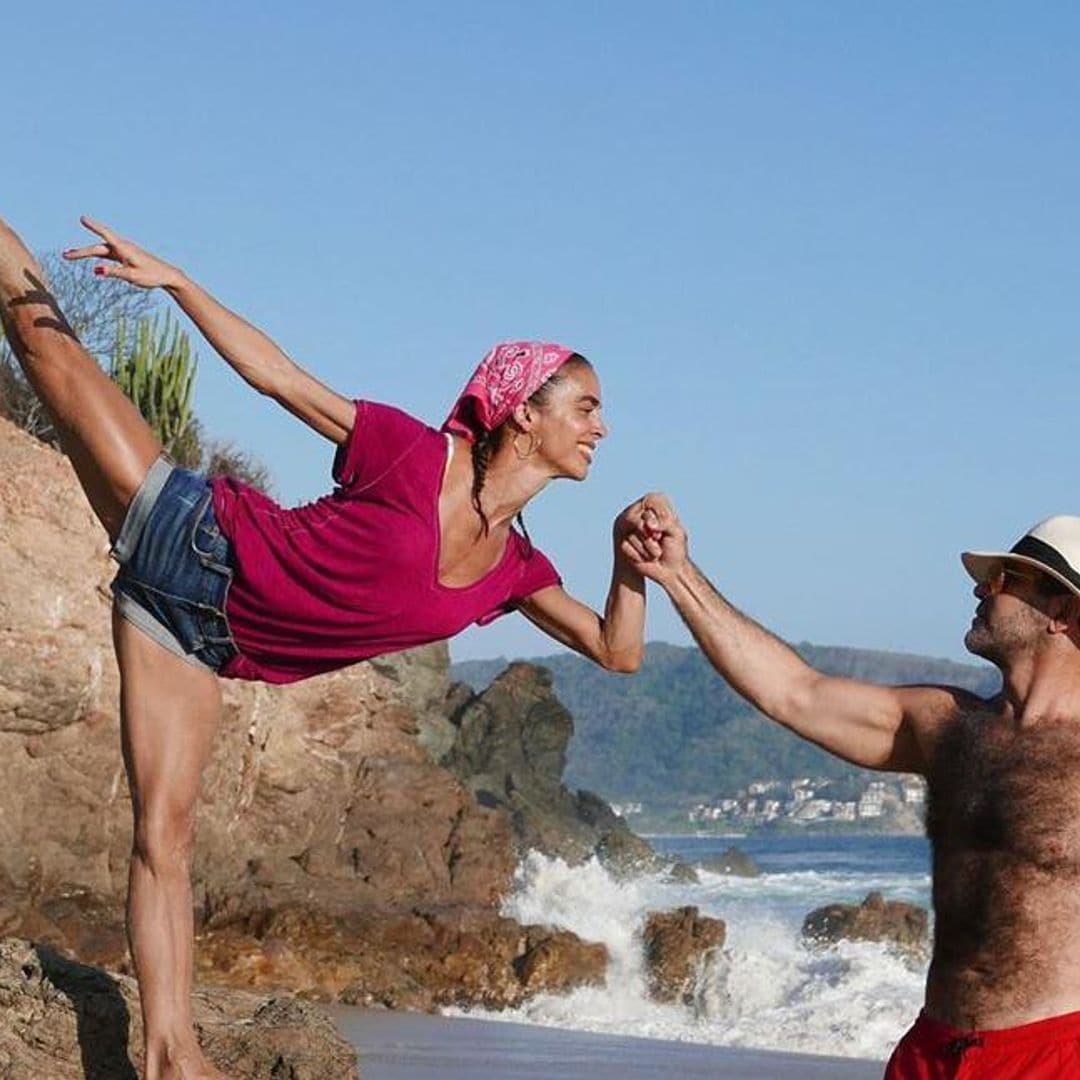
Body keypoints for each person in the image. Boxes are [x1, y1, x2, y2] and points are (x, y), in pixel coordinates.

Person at [0, 213, 654, 1080]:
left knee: (167, 837)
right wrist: (180, 283)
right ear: (524, 413)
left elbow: (617, 651)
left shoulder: (517, 571)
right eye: (585, 406)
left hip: (196, 641)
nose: (601, 427)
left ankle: (170, 1058)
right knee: (48, 343)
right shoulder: (414, 456)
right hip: (188, 532)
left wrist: (630, 565)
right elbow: (279, 380)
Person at [630, 502, 1080, 1078]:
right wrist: (678, 574)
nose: (980, 592)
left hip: (1052, 1056)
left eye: (1002, 580)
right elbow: (794, 693)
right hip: (928, 1053)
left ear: (1061, 611)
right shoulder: (947, 726)